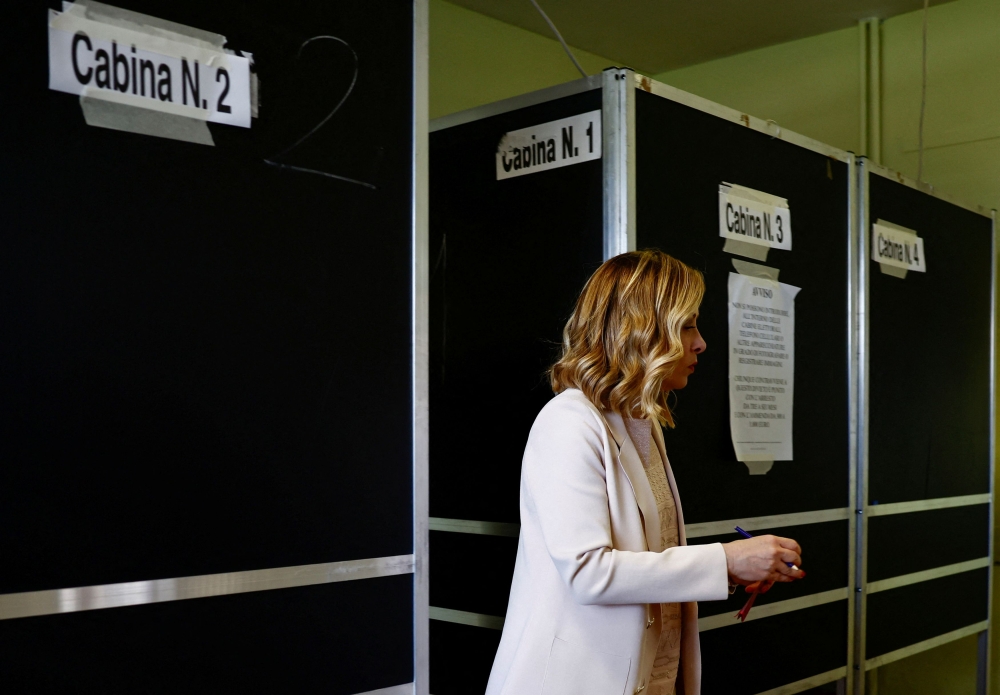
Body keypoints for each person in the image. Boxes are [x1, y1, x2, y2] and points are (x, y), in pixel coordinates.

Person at [485, 250, 805, 695]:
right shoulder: (568, 421)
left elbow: (650, 559)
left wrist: (732, 572)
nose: (701, 343)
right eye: (688, 325)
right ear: (642, 329)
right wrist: (724, 560)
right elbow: (588, 572)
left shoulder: (642, 421)